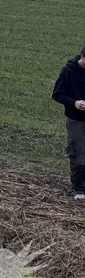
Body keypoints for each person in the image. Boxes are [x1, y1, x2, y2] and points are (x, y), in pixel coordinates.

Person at [52, 45, 85, 200]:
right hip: (76, 120)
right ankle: (79, 189)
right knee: (78, 153)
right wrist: (74, 103)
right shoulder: (69, 71)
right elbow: (58, 94)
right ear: (82, 56)